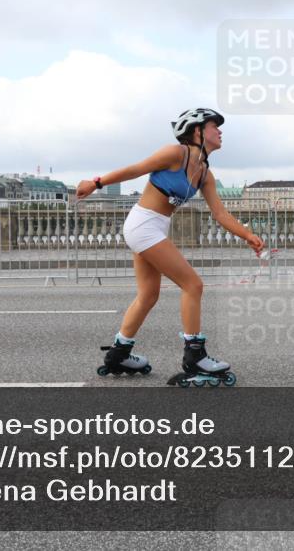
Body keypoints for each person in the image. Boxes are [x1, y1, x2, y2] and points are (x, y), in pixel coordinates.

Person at [75, 108, 263, 386]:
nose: (220, 131)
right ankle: (195, 356)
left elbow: (220, 214)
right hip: (143, 225)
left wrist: (247, 235)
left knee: (148, 295)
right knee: (193, 285)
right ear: (197, 131)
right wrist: (96, 183)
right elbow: (136, 169)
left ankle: (119, 353)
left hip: (154, 227)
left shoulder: (205, 174)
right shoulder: (176, 154)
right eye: (214, 126)